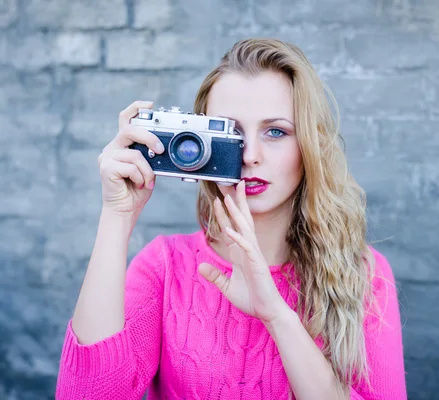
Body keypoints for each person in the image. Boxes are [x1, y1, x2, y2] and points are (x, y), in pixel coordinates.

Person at [55, 38, 406, 400]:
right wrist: (116, 215)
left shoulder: (364, 275)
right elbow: (85, 394)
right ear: (198, 144)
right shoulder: (166, 267)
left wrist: (276, 314)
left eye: (276, 132)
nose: (251, 155)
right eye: (231, 133)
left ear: (309, 144)